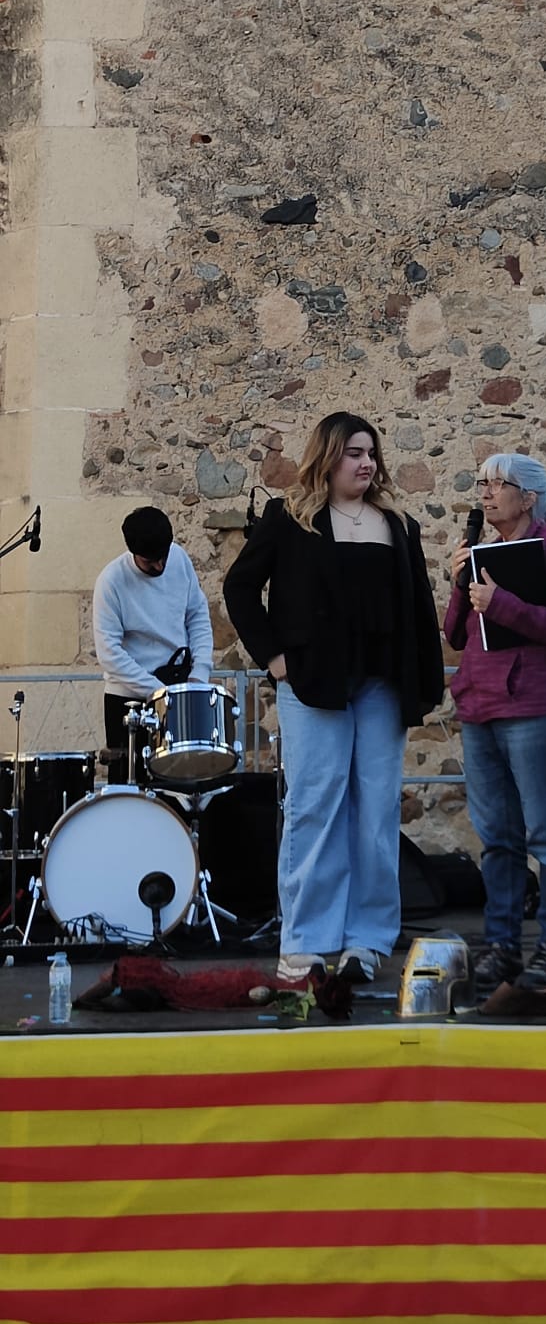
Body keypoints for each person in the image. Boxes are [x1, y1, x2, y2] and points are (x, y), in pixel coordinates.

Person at [223, 411, 444, 986]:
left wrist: (422, 679)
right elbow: (239, 587)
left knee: (376, 812)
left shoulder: (397, 524)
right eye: (354, 453)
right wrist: (274, 658)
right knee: (314, 808)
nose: (366, 463)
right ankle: (306, 943)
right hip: (313, 684)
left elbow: (418, 606)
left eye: (371, 453)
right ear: (327, 456)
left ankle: (367, 941)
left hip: (381, 685)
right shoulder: (289, 517)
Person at [444, 452, 546, 991]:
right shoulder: (482, 551)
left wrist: (501, 603)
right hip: (480, 705)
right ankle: (502, 946)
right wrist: (459, 581)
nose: (485, 493)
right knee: (498, 839)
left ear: (528, 497)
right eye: (481, 483)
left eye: (497, 484)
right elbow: (454, 634)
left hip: (536, 705)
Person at [92, 507, 214, 785]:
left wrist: (199, 674)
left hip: (179, 687)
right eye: (150, 562)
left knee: (181, 786)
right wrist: (157, 693)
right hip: (130, 700)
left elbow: (197, 615)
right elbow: (109, 653)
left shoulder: (180, 560)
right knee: (130, 789)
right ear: (133, 552)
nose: (159, 566)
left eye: (163, 557)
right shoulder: (111, 581)